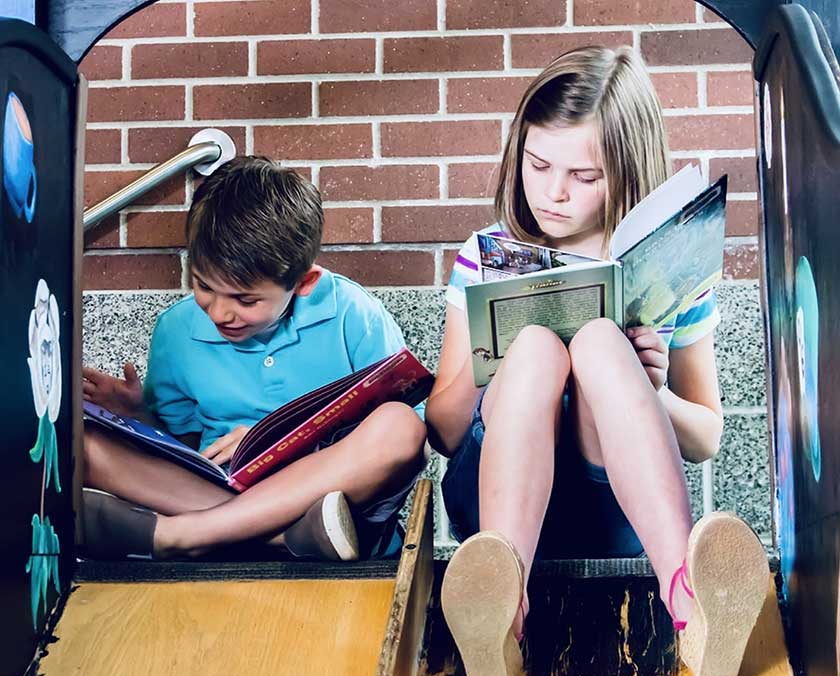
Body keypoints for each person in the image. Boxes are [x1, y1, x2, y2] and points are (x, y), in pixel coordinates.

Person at [425, 46, 768, 676]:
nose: (553, 192)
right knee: (532, 350)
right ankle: (503, 610)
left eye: (584, 176)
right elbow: (446, 433)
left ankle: (691, 607)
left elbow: (707, 437)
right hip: (495, 505)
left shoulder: (669, 269)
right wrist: (490, 366)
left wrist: (654, 389)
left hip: (613, 505)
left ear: (627, 170)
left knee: (603, 344)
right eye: (538, 164)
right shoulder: (484, 254)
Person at [81, 156, 427, 562]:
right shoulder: (175, 331)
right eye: (204, 286)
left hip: (331, 498)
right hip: (221, 492)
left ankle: (181, 534)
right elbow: (183, 449)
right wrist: (138, 416)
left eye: (245, 300)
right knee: (84, 445)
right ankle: (281, 538)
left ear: (303, 283)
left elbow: (406, 439)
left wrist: (280, 447)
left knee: (401, 426)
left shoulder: (353, 313)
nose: (219, 313)